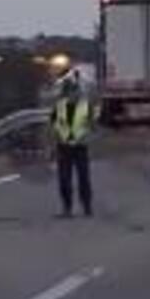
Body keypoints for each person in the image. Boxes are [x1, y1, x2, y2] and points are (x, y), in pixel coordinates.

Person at [51, 71, 95, 217]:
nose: (72, 94)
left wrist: (87, 135)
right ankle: (67, 208)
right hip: (63, 147)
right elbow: (53, 126)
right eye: (69, 91)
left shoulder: (85, 106)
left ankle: (87, 206)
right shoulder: (59, 107)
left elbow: (91, 125)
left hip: (80, 146)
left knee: (83, 178)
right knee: (64, 179)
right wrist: (53, 145)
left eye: (74, 91)